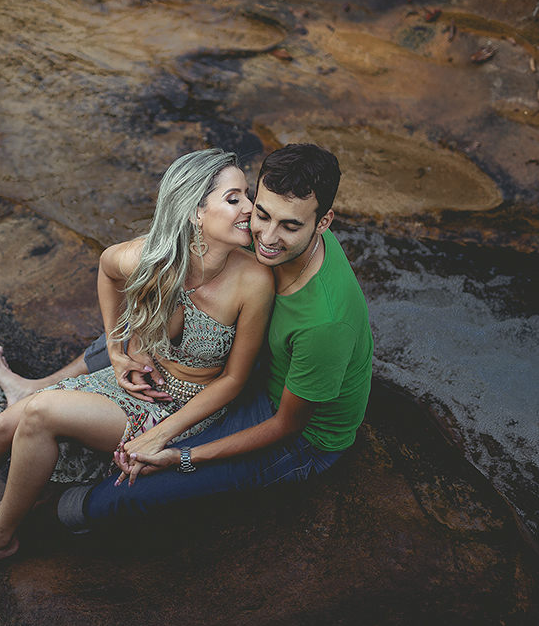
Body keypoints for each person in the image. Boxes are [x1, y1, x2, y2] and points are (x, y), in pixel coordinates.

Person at [0, 148, 275, 580]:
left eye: (248, 195)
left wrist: (161, 436)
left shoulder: (253, 280)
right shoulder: (155, 257)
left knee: (39, 411)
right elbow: (108, 269)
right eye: (234, 198)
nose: (250, 209)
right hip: (135, 385)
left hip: (186, 411)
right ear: (194, 213)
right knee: (3, 424)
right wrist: (115, 350)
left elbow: (235, 379)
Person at [48, 142, 374, 530]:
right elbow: (138, 272)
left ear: (323, 222)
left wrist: (183, 455)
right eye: (263, 214)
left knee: (123, 494)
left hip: (296, 430)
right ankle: (42, 388)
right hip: (254, 367)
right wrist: (128, 349)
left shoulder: (325, 323)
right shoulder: (262, 229)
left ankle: (31, 523)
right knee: (161, 318)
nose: (267, 238)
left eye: (289, 226)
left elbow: (287, 425)